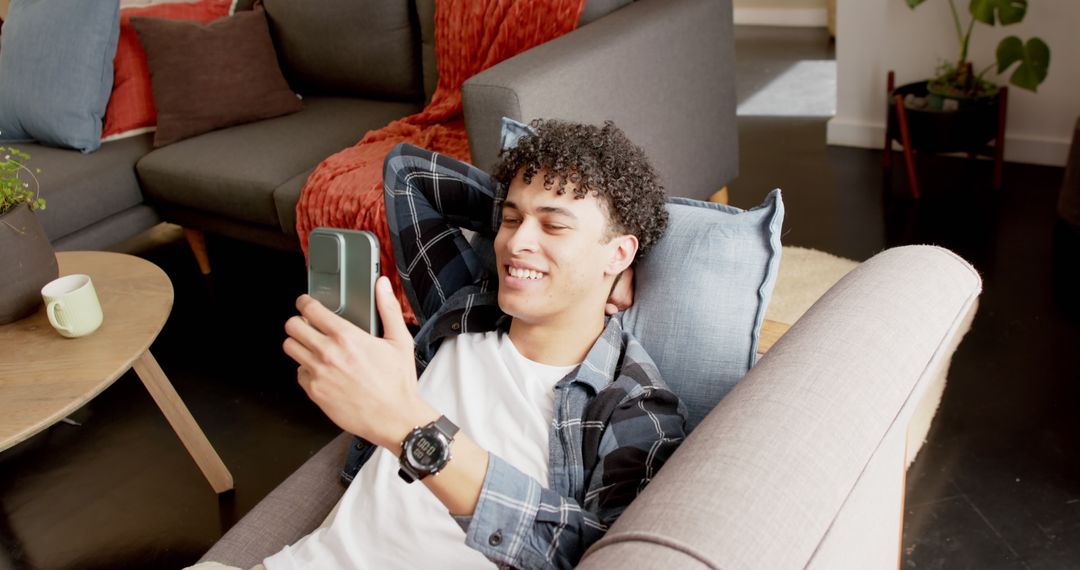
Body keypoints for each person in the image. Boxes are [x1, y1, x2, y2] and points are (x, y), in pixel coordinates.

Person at [200, 119, 688, 570]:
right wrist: (561, 236)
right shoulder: (463, 302)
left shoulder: (634, 405)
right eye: (511, 220)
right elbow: (408, 172)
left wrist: (405, 424)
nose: (516, 244)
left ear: (620, 251)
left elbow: (594, 553)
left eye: (555, 225)